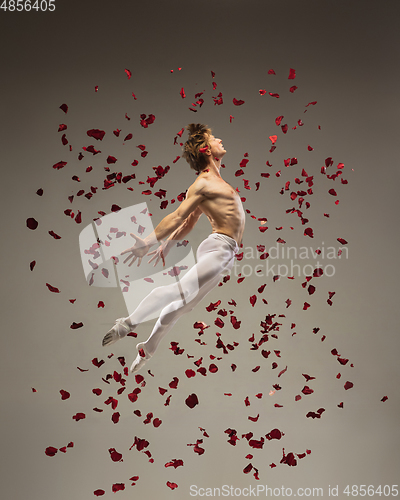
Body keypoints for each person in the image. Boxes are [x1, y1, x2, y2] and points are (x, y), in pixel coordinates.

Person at [102, 123, 246, 373]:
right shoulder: (202, 184)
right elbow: (178, 216)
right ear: (206, 149)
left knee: (185, 305)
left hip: (224, 251)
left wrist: (168, 244)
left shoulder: (214, 183)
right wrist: (149, 241)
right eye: (214, 138)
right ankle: (127, 323)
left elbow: (191, 221)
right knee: (181, 290)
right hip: (220, 247)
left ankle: (147, 348)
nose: (219, 139)